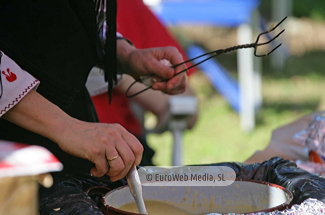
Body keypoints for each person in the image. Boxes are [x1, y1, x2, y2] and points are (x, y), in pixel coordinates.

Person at [0, 1, 188, 182]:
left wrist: (126, 55)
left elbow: (71, 21)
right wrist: (66, 127)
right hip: (14, 151)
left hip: (73, 130)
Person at [86, 0, 198, 166]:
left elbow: (188, 107)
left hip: (126, 153)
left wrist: (121, 71)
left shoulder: (128, 5)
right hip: (55, 155)